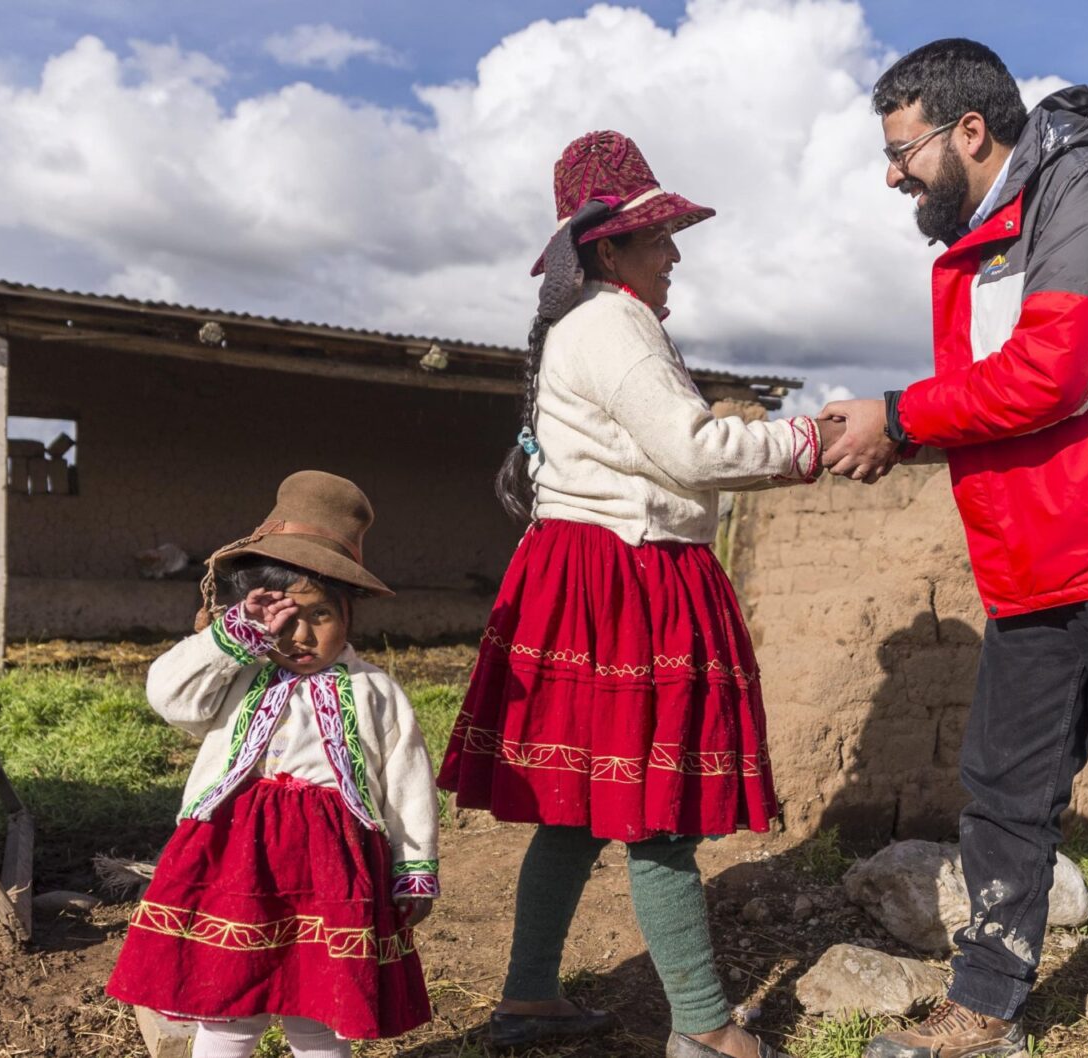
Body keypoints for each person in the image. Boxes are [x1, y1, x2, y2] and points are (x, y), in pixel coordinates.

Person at [820, 40, 1088, 1058]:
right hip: (1040, 559)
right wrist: (904, 431)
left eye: (901, 150)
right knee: (1003, 788)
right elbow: (993, 412)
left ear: (967, 131)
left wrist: (898, 414)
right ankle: (982, 1008)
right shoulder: (984, 241)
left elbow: (1050, 372)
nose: (892, 175)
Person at [437, 130, 835, 1058]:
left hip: (589, 574)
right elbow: (694, 449)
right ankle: (700, 1027)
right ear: (608, 249)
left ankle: (530, 998)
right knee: (658, 815)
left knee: (577, 814)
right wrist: (809, 444)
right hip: (628, 580)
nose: (675, 254)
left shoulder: (580, 329)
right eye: (657, 239)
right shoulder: (615, 324)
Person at [106, 471, 439, 1058]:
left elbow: (407, 783)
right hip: (236, 859)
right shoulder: (237, 671)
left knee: (320, 1010)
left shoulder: (375, 690)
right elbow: (168, 695)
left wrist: (412, 868)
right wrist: (229, 639)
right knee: (231, 1003)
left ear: (350, 616)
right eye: (285, 617)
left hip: (333, 871)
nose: (302, 634)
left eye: (322, 616)